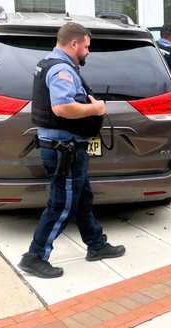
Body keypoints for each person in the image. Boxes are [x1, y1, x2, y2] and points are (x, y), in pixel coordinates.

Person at [19, 22, 125, 279]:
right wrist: (96, 109)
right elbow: (62, 107)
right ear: (74, 44)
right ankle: (34, 256)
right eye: (86, 46)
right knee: (61, 204)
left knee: (81, 198)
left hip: (68, 147)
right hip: (63, 150)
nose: (88, 51)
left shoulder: (48, 62)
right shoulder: (60, 70)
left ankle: (96, 245)